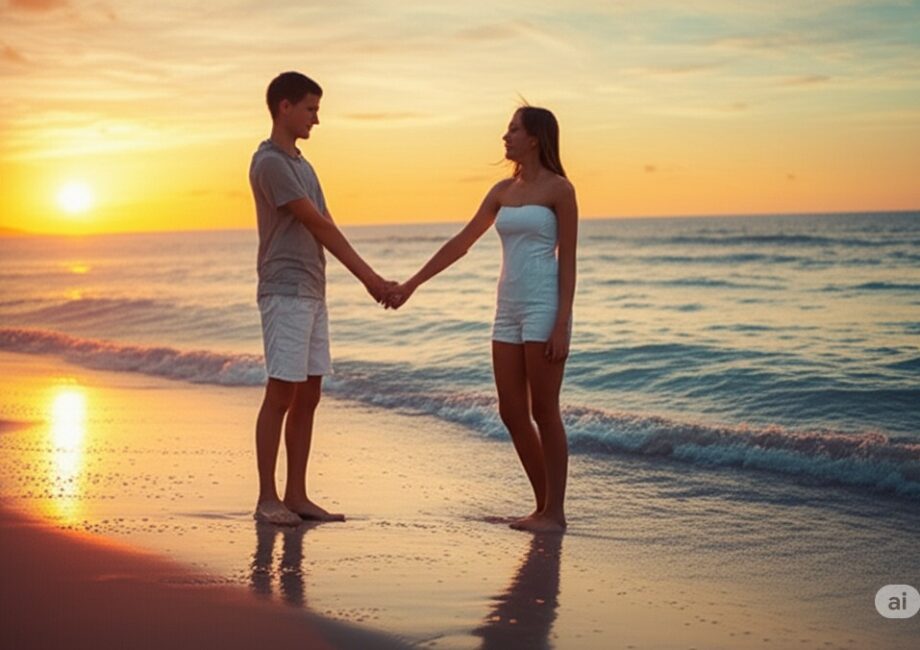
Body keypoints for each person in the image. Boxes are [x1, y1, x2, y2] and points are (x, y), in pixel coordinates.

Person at [385, 106, 577, 533]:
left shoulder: (560, 190)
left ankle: (555, 512)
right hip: (506, 309)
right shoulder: (502, 190)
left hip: (544, 306)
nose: (505, 136)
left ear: (535, 137)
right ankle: (543, 505)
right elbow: (462, 242)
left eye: (513, 129)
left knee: (545, 410)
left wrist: (562, 321)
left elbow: (569, 262)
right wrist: (414, 283)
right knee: (512, 411)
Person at [250, 71, 393, 526]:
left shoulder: (303, 165)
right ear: (284, 107)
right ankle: (267, 498)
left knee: (310, 394)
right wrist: (370, 278)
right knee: (282, 392)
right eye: (310, 109)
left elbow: (328, 221)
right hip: (285, 288)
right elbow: (318, 225)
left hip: (313, 289)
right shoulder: (269, 162)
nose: (317, 118)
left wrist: (362, 278)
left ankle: (296, 495)